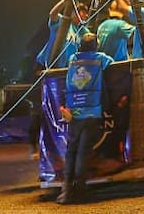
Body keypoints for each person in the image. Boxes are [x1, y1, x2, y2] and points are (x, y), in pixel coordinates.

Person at [58, 32, 113, 205]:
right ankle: (80, 190)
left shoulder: (73, 58)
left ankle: (66, 191)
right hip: (92, 112)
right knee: (83, 152)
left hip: (73, 112)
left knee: (71, 151)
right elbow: (112, 63)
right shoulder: (99, 58)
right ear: (96, 45)